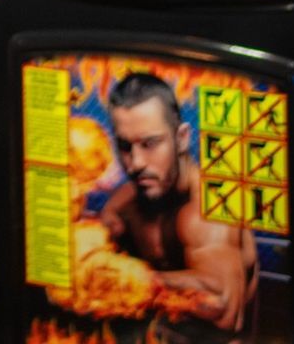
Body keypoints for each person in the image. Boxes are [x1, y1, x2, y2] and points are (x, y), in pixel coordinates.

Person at [99, 73, 258, 343]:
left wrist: (134, 280)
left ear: (182, 138)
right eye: (125, 147)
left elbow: (225, 310)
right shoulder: (124, 205)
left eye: (150, 144)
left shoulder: (212, 207)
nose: (135, 163)